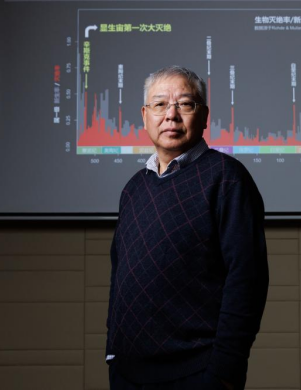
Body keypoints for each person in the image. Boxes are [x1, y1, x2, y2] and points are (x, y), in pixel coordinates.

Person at [106, 66, 269, 390]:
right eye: (160, 104)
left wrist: (225, 371)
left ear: (204, 115)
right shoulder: (134, 188)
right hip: (127, 373)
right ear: (145, 116)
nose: (171, 115)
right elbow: (119, 274)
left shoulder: (227, 178)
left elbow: (247, 279)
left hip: (197, 372)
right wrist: (113, 351)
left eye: (185, 104)